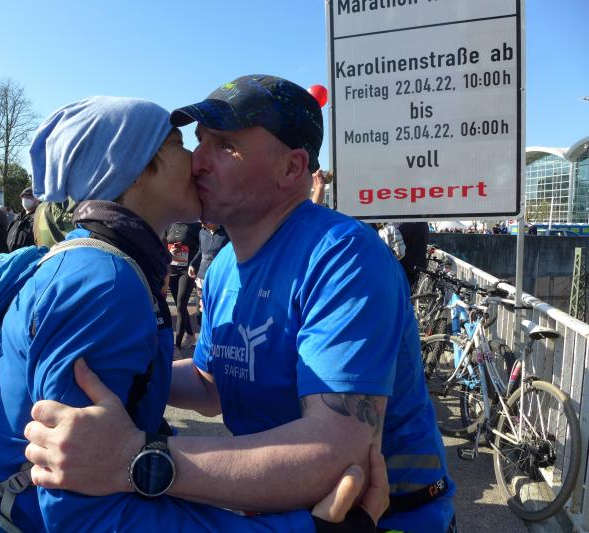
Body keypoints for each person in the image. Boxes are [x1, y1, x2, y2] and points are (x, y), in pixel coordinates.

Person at [24, 75, 456, 532]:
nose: (197, 161)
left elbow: (334, 454)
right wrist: (108, 371)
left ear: (291, 169)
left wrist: (133, 457)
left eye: (225, 145)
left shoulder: (343, 256)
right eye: (199, 140)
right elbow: (213, 384)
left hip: (389, 518)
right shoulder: (225, 265)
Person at [165, 221, 201, 350]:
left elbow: (202, 248)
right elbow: (164, 244)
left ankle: (177, 345)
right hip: (173, 269)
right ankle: (190, 335)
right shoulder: (171, 225)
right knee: (180, 305)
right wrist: (170, 251)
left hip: (187, 270)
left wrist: (194, 263)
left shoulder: (195, 226)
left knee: (181, 304)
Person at [188, 221, 229, 327]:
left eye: (205, 222)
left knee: (216, 313)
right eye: (202, 222)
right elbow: (200, 251)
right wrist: (192, 264)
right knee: (200, 313)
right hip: (202, 278)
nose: (203, 225)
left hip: (219, 279)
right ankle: (202, 335)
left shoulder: (227, 233)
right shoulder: (202, 232)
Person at [397, 222, 430, 289]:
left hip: (408, 265)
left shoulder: (411, 223)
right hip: (418, 264)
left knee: (403, 288)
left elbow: (396, 236)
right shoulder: (424, 224)